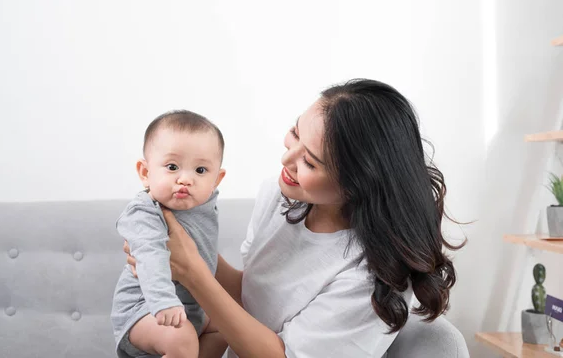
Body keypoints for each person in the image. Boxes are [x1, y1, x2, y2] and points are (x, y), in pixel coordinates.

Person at [125, 79, 464, 357]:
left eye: (311, 163)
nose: (287, 158)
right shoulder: (283, 196)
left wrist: (194, 272)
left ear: (356, 183)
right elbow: (260, 295)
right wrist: (187, 250)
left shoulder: (371, 279)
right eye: (296, 133)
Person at [111, 110, 228, 358]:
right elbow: (150, 254)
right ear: (145, 173)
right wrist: (164, 301)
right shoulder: (145, 212)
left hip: (192, 307)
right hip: (145, 308)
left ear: (217, 180)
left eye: (200, 170)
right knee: (181, 338)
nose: (185, 179)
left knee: (225, 327)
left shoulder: (204, 202)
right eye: (172, 167)